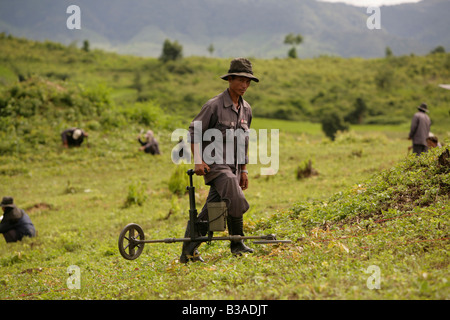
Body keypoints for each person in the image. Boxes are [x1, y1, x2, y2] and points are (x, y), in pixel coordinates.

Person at [180, 57, 259, 263]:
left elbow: (244, 141)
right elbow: (194, 131)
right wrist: (198, 161)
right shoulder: (213, 105)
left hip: (233, 166)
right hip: (214, 164)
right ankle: (237, 241)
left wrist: (244, 170)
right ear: (230, 79)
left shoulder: (246, 109)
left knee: (212, 210)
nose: (244, 85)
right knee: (236, 200)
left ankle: (188, 252)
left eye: (248, 82)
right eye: (241, 80)